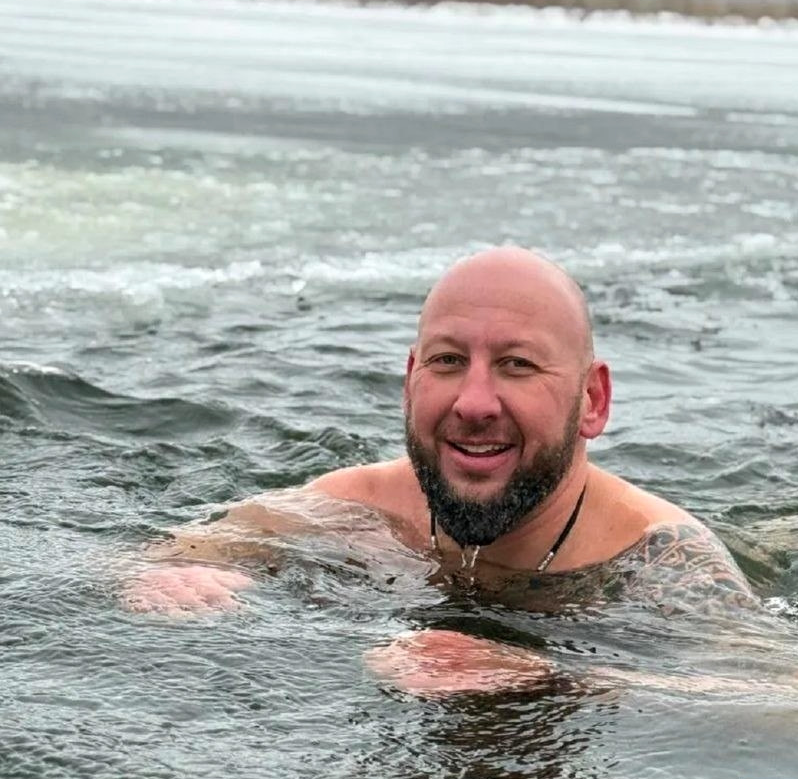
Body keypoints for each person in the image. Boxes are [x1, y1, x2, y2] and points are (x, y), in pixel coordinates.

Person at [128, 247, 754, 695]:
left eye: (517, 365)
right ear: (410, 381)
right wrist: (165, 572)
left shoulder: (664, 558)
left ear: (592, 401)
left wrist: (550, 674)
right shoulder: (351, 506)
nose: (474, 403)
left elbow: (788, 707)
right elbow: (171, 552)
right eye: (449, 360)